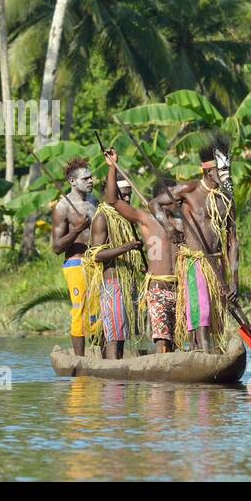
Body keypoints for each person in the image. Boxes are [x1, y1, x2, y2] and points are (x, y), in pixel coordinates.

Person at [159, 135, 237, 352]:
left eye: (228, 169)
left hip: (217, 264)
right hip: (195, 263)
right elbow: (154, 203)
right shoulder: (190, 190)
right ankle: (204, 354)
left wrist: (234, 281)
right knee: (200, 311)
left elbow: (233, 240)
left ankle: (206, 352)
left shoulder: (227, 199)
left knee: (213, 314)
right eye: (222, 170)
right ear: (208, 171)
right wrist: (170, 229)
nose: (227, 174)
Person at [102, 149, 179, 353]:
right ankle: (161, 379)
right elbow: (113, 200)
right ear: (160, 199)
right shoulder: (147, 220)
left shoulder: (183, 223)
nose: (176, 201)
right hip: (158, 288)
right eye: (171, 197)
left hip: (180, 288)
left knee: (177, 340)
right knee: (162, 340)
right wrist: (112, 167)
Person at [81, 176, 145, 358]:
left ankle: (119, 377)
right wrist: (127, 247)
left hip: (127, 282)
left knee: (122, 335)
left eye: (129, 196)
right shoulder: (102, 218)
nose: (127, 200)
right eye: (124, 196)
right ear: (113, 194)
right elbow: (96, 255)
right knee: (113, 336)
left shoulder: (125, 218)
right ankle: (112, 378)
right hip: (113, 284)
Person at [51, 157, 97, 356]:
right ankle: (79, 360)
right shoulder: (63, 207)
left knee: (97, 312)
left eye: (91, 177)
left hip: (97, 261)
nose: (90, 181)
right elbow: (56, 247)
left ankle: (99, 356)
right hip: (76, 263)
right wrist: (76, 230)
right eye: (85, 178)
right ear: (73, 181)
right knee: (79, 311)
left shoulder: (95, 202)